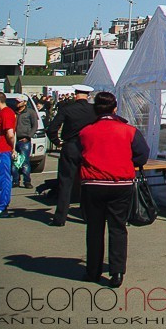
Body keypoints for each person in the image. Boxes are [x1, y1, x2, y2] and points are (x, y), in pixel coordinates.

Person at [78, 91, 149, 287]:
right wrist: (126, 161)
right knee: (118, 228)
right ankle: (117, 272)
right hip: (120, 183)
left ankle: (92, 271)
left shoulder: (86, 132)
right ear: (115, 108)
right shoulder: (128, 130)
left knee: (94, 229)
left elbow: (77, 155)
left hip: (93, 184)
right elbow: (142, 154)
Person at [46, 85, 98, 226]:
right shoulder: (95, 110)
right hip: (88, 147)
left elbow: (52, 129)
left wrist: (57, 142)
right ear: (87, 95)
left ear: (76, 95)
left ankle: (60, 217)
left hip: (70, 146)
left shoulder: (67, 109)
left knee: (66, 182)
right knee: (88, 182)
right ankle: (88, 216)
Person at [14, 94, 38, 189]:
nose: (17, 103)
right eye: (17, 101)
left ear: (24, 102)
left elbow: (35, 126)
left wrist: (28, 137)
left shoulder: (30, 112)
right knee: (15, 162)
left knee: (25, 162)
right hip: (14, 140)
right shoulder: (14, 112)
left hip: (24, 141)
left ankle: (27, 181)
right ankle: (15, 180)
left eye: (19, 102)